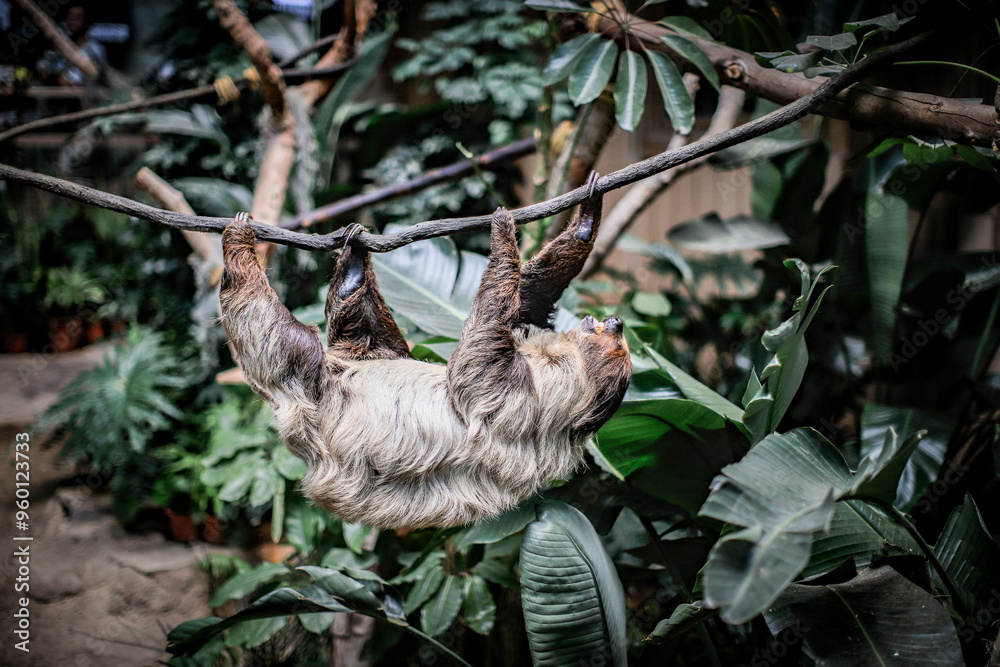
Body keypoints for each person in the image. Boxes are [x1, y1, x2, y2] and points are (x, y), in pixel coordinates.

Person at [35, 4, 106, 87]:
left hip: (83, 95)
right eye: (70, 17)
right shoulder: (60, 44)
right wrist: (44, 70)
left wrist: (67, 78)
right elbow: (44, 63)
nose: (72, 21)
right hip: (55, 92)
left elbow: (97, 76)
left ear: (88, 23)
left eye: (77, 18)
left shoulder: (94, 49)